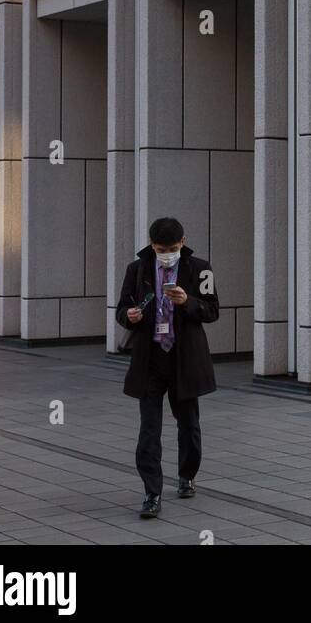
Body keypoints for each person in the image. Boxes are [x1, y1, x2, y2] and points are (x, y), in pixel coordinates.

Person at [116, 217, 219, 519]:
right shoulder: (136, 270)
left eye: (173, 248)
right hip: (150, 359)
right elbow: (122, 308)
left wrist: (188, 302)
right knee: (149, 429)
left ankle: (187, 475)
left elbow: (212, 309)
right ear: (151, 245)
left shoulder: (200, 268)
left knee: (189, 424)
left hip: (184, 357)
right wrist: (129, 316)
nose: (167, 253)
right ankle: (152, 492)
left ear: (183, 242)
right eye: (162, 248)